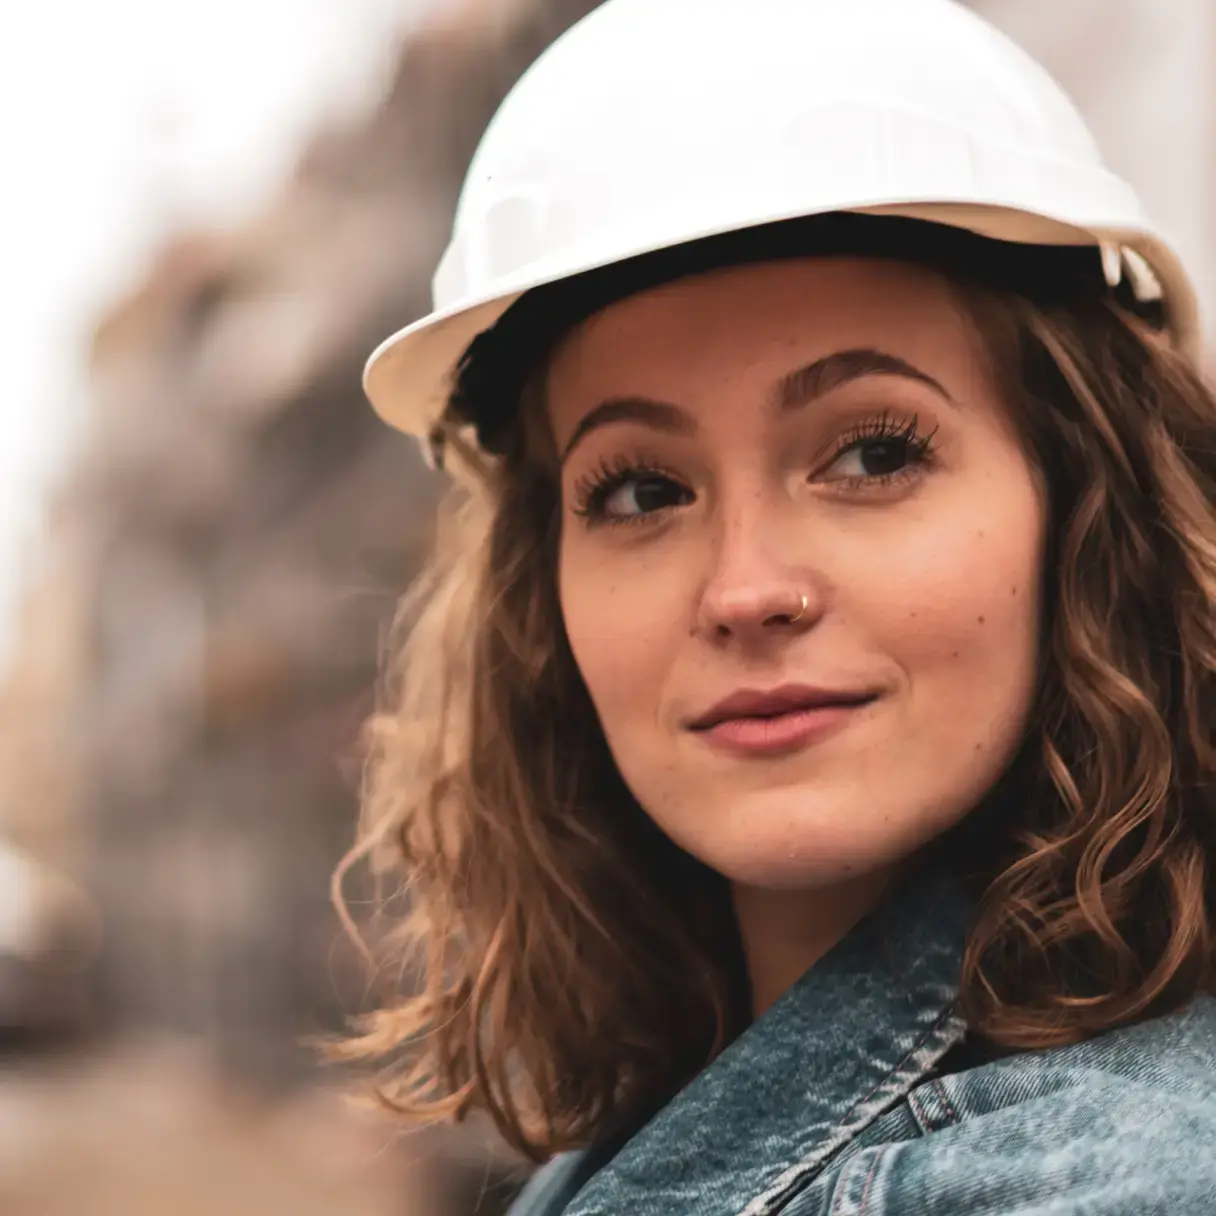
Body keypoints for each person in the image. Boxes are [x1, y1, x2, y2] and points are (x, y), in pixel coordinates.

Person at [338, 1, 1216, 1212]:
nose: (747, 590)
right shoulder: (640, 1141)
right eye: (641, 488)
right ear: (543, 589)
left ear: (1083, 499)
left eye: (872, 454)